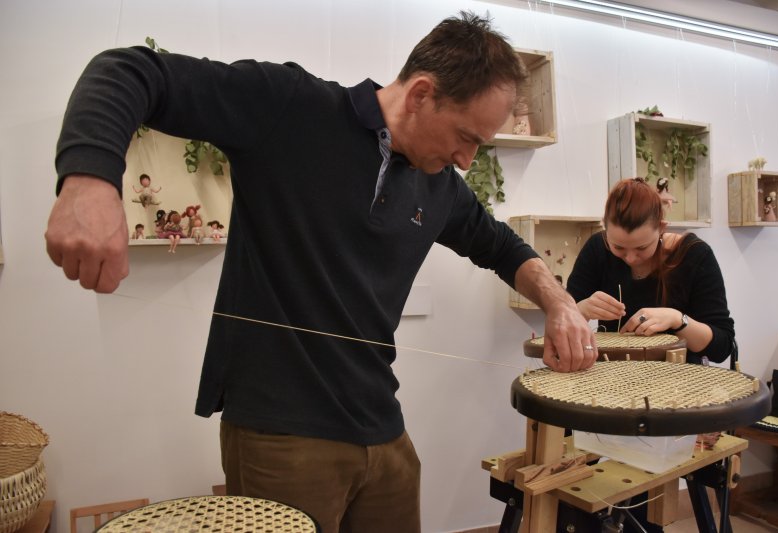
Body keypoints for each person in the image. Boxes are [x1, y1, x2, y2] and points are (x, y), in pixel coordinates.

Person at [44, 12, 596, 532]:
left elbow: (502, 247)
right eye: (467, 137)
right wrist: (89, 181)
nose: (467, 160)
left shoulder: (441, 189)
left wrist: (558, 303)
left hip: (384, 428)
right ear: (422, 94)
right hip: (279, 433)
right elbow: (130, 70)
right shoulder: (291, 107)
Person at [565, 177, 735, 532]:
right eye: (618, 247)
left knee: (643, 497)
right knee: (569, 480)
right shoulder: (597, 250)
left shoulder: (694, 257)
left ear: (662, 228)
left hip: (672, 398)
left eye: (641, 248)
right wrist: (580, 308)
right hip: (605, 387)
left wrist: (678, 319)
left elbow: (721, 344)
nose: (629, 258)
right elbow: (564, 314)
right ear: (605, 231)